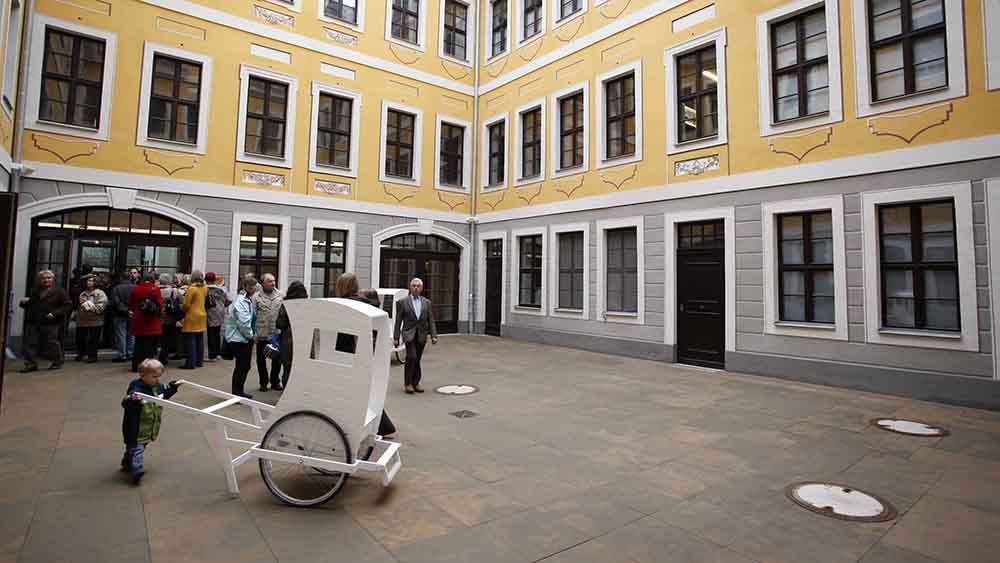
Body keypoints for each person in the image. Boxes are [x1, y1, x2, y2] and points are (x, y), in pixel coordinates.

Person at [121, 359, 182, 484]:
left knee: (137, 447)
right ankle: (136, 470)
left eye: (159, 376)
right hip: (136, 427)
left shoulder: (158, 387)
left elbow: (164, 396)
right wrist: (133, 399)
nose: (158, 380)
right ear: (142, 375)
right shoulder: (136, 387)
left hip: (149, 425)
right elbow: (126, 403)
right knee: (137, 448)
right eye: (154, 377)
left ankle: (127, 461)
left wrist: (173, 387)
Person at [358, 287, 396, 439]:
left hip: (368, 355)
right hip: (371, 354)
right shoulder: (374, 308)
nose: (358, 296)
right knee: (369, 394)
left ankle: (384, 426)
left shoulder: (368, 309)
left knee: (367, 394)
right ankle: (384, 426)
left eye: (361, 295)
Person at [19, 270, 73, 373]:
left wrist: (54, 313)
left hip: (50, 322)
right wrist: (23, 303)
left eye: (49, 278)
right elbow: (31, 304)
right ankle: (31, 364)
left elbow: (67, 305)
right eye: (44, 278)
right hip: (34, 320)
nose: (46, 280)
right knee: (29, 343)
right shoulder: (35, 290)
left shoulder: (59, 291)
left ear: (53, 279)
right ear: (40, 280)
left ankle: (57, 361)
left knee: (51, 343)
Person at [393, 277, 437, 394]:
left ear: (421, 288)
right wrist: (396, 337)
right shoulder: (402, 302)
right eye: (414, 285)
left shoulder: (427, 302)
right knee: (411, 356)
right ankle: (407, 383)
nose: (416, 288)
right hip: (409, 334)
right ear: (410, 287)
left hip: (421, 335)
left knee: (417, 359)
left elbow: (431, 320)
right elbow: (398, 321)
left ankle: (416, 382)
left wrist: (433, 335)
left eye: (418, 286)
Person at [225, 277, 257, 398]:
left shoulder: (246, 299)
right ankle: (237, 393)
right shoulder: (242, 301)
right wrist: (251, 335)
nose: (255, 289)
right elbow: (243, 323)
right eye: (253, 286)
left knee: (243, 366)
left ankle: (238, 391)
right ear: (247, 287)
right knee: (242, 366)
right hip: (240, 339)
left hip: (241, 338)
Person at [252, 273, 284, 391]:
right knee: (261, 360)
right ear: (263, 283)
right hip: (262, 333)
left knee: (277, 359)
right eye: (270, 281)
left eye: (274, 281)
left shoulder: (280, 295)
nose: (273, 283)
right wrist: (253, 332)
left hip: (276, 333)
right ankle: (263, 383)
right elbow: (252, 316)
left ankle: (275, 381)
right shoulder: (256, 297)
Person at [274, 281, 307, 389]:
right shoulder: (307, 304)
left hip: (288, 340)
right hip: (303, 339)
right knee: (300, 368)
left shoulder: (286, 304)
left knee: (287, 368)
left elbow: (279, 324)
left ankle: (286, 392)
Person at [128, 272, 163, 373]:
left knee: (138, 345)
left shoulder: (136, 288)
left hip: (139, 319)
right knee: (150, 347)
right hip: (152, 320)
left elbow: (131, 304)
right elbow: (160, 305)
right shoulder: (155, 289)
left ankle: (136, 366)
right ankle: (148, 367)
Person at [76, 274, 108, 363]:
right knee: (81, 338)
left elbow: (102, 305)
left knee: (93, 339)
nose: (88, 282)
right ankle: (82, 353)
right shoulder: (83, 293)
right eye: (87, 281)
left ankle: (92, 356)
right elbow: (80, 304)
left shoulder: (100, 293)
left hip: (96, 320)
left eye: (91, 281)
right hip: (83, 320)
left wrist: (91, 307)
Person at [180, 270, 208, 370]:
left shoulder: (192, 289)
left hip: (192, 315)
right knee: (199, 339)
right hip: (202, 314)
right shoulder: (205, 288)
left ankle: (190, 363)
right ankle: (199, 361)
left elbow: (186, 304)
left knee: (190, 339)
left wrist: (183, 309)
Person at [109, 271, 136, 363]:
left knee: (121, 335)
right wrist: (131, 311)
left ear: (121, 278)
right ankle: (130, 352)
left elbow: (116, 302)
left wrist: (125, 310)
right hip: (133, 313)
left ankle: (122, 354)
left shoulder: (116, 288)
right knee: (131, 334)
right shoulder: (135, 287)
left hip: (120, 314)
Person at [157, 273, 181, 364]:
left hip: (157, 317)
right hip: (170, 318)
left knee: (156, 338)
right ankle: (163, 356)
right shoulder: (173, 290)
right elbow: (181, 301)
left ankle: (154, 355)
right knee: (167, 339)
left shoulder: (155, 289)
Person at [70, 264, 94, 359]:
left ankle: (82, 352)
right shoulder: (94, 282)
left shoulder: (77, 282)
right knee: (90, 333)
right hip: (90, 310)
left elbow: (74, 295)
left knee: (82, 332)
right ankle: (88, 352)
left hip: (81, 308)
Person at [205, 272, 230, 361]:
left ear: (205, 280)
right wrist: (223, 305)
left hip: (209, 312)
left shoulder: (205, 289)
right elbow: (229, 300)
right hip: (220, 312)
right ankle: (218, 353)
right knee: (217, 332)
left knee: (211, 333)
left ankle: (212, 355)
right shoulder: (222, 289)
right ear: (214, 279)